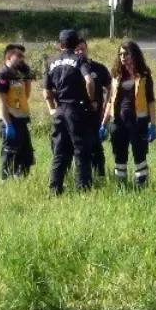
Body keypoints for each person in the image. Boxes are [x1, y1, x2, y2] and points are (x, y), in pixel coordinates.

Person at [43, 28, 97, 194]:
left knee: (60, 150)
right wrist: (91, 99)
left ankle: (55, 189)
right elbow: (89, 81)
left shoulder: (51, 62)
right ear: (75, 44)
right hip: (76, 109)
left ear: (60, 44)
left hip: (59, 109)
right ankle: (83, 188)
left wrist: (53, 109)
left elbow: (47, 92)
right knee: (81, 149)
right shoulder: (79, 59)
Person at [104, 39, 156, 188]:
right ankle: (120, 185)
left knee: (139, 154)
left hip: (137, 122)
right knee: (119, 154)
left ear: (134, 54)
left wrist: (152, 125)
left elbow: (151, 102)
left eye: (126, 53)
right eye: (120, 54)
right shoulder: (116, 75)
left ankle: (141, 184)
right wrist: (104, 124)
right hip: (118, 122)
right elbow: (109, 101)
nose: (123, 57)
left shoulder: (144, 76)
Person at [0, 43, 34, 179]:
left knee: (25, 156)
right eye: (19, 56)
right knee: (10, 155)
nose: (22, 59)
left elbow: (25, 96)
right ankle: (5, 183)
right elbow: (1, 101)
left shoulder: (18, 75)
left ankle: (20, 182)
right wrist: (8, 124)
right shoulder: (3, 76)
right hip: (9, 120)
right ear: (9, 57)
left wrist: (28, 78)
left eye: (23, 56)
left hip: (21, 120)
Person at [76, 37, 112, 181]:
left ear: (87, 49)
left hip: (95, 115)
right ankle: (82, 177)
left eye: (82, 49)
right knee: (79, 148)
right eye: (76, 49)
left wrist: (106, 105)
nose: (79, 52)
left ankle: (100, 176)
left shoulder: (98, 68)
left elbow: (110, 88)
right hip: (76, 115)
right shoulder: (71, 68)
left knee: (96, 147)